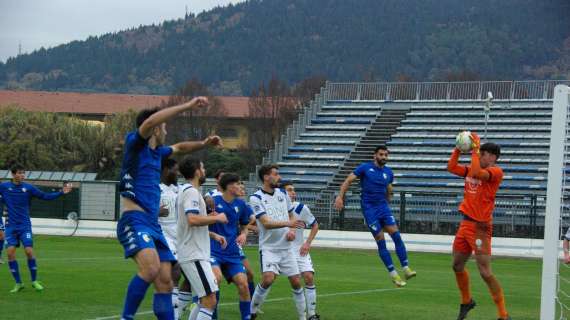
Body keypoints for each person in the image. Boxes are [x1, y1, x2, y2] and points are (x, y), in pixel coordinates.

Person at [116, 97, 222, 320]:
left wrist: (204, 144)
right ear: (154, 129)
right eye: (163, 127)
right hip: (134, 220)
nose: (165, 130)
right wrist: (187, 106)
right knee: (151, 268)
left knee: (166, 282)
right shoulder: (135, 145)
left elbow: (181, 147)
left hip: (153, 226)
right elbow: (150, 121)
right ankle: (126, 317)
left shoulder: (158, 153)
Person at [447, 133, 510, 320]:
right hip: (465, 223)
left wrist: (474, 149)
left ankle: (503, 314)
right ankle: (467, 301)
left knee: (485, 272)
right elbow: (451, 167)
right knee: (457, 265)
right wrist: (458, 148)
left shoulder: (495, 172)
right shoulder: (471, 169)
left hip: (480, 228)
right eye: (480, 153)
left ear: (493, 158)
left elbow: (476, 173)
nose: (481, 156)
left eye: (484, 154)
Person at [334, 145, 416, 287]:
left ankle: (406, 268)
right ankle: (394, 275)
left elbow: (389, 186)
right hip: (369, 209)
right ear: (375, 155)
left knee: (396, 235)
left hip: (383, 207)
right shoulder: (365, 168)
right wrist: (340, 197)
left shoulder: (389, 172)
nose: (384, 157)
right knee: (380, 239)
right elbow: (348, 181)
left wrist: (389, 195)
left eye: (386, 155)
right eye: (381, 154)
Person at [0, 164, 72, 292]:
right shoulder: (4, 187)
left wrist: (61, 192)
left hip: (24, 225)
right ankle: (18, 283)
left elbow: (45, 196)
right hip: (10, 226)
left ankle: (34, 281)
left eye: (23, 173)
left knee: (29, 251)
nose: (22, 175)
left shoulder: (29, 188)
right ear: (13, 174)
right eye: (20, 173)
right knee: (10, 253)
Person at [249, 164, 307, 320]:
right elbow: (266, 223)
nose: (279, 177)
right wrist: (288, 224)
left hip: (286, 248)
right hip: (269, 248)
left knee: (296, 281)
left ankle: (303, 317)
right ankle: (252, 311)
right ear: (266, 177)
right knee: (267, 279)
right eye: (275, 174)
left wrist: (292, 230)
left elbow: (292, 215)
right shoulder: (256, 198)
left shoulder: (282, 193)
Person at [176, 157, 228, 320]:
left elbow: (190, 222)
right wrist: (217, 218)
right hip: (194, 255)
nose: (205, 172)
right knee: (209, 300)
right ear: (197, 171)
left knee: (205, 299)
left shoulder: (188, 191)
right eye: (203, 168)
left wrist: (212, 233)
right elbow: (192, 220)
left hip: (196, 253)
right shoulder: (191, 191)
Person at [209, 173, 253, 320]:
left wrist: (244, 234)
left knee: (244, 284)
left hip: (232, 253)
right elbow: (199, 226)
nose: (239, 186)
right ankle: (211, 316)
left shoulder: (241, 204)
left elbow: (246, 224)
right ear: (228, 186)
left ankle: (246, 317)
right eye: (236, 183)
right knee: (216, 280)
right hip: (213, 251)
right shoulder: (212, 202)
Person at [283, 182, 320, 320]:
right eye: (289, 190)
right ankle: (253, 308)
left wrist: (307, 243)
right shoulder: (275, 209)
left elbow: (315, 225)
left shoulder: (301, 207)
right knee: (292, 281)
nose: (293, 193)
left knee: (309, 277)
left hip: (299, 250)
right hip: (282, 251)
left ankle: (311, 314)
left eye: (294, 190)